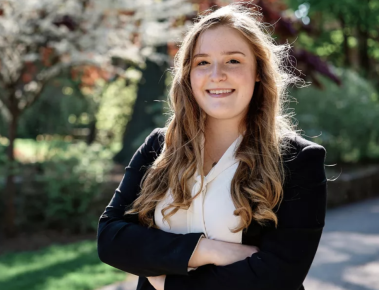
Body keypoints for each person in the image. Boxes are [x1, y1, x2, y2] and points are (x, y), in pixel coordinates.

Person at [97, 3, 327, 290]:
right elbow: (110, 238)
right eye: (202, 62)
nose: (216, 74)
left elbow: (279, 275)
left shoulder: (297, 160)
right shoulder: (159, 146)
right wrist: (208, 250)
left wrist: (169, 283)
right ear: (188, 75)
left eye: (233, 61)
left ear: (258, 71)